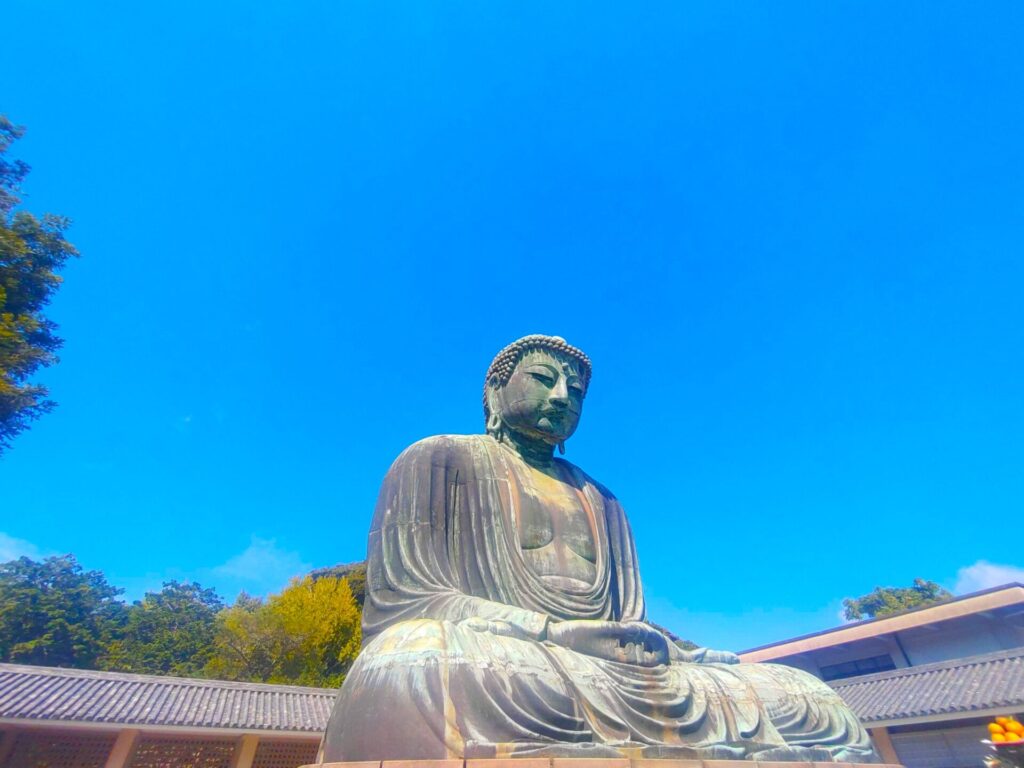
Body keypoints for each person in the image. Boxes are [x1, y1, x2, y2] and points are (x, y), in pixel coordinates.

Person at [321, 335, 876, 762]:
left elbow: (626, 618)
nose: (562, 397)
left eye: (577, 393)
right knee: (410, 659)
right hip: (510, 656)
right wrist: (548, 632)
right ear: (494, 392)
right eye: (543, 379)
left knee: (799, 693)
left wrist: (671, 648)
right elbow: (408, 603)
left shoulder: (602, 499)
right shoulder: (438, 460)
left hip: (603, 668)